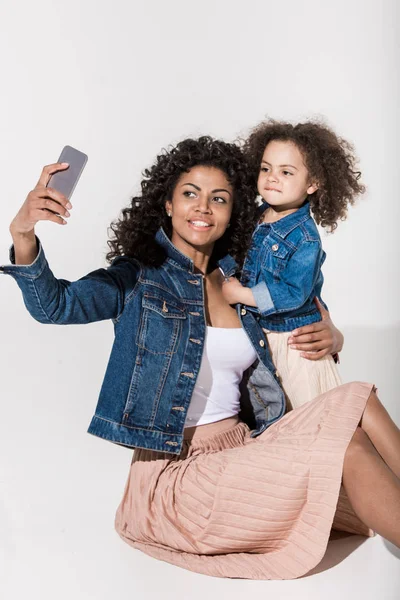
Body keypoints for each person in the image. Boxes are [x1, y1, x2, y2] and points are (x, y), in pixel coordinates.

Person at [2, 137, 399, 581]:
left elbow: (299, 315)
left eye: (219, 198)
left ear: (233, 213)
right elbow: (55, 306)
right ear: (168, 204)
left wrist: (333, 334)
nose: (203, 207)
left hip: (247, 449)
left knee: (356, 404)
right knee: (349, 456)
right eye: (190, 193)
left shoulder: (239, 281)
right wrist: (23, 234)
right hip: (177, 477)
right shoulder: (138, 278)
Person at [222, 119, 364, 411]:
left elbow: (293, 293)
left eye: (286, 172)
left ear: (313, 183)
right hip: (263, 339)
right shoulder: (256, 217)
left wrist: (242, 295)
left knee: (307, 421)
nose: (272, 177)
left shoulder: (305, 238)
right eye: (266, 168)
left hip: (293, 346)